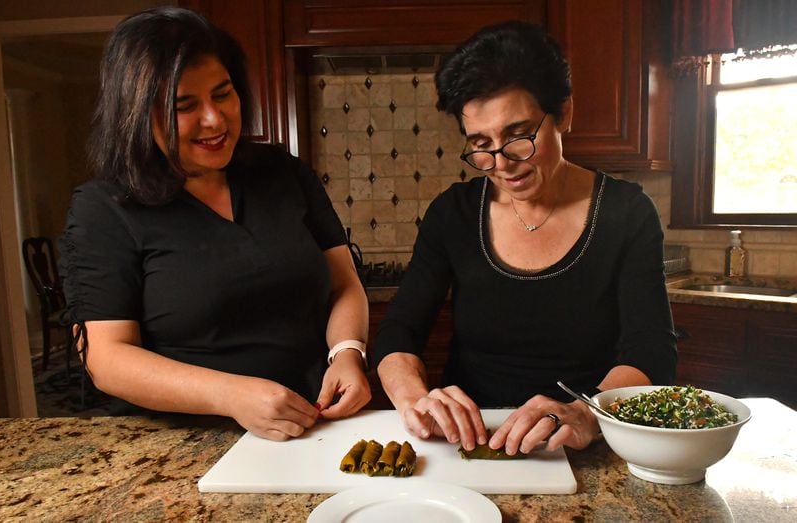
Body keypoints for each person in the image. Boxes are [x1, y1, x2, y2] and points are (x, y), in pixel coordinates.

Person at [59, 7, 370, 441]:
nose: (214, 119)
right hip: (182, 441)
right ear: (136, 114)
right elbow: (107, 358)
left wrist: (347, 353)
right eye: (184, 106)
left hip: (310, 427)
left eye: (223, 94)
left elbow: (343, 284)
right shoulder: (103, 208)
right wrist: (230, 395)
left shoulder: (282, 172)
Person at [374, 21, 677, 455]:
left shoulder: (627, 211)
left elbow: (651, 353)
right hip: (471, 442)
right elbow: (399, 331)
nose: (502, 163)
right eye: (481, 143)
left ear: (564, 113)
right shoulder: (453, 214)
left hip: (584, 442)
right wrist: (413, 399)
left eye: (519, 135)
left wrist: (585, 415)